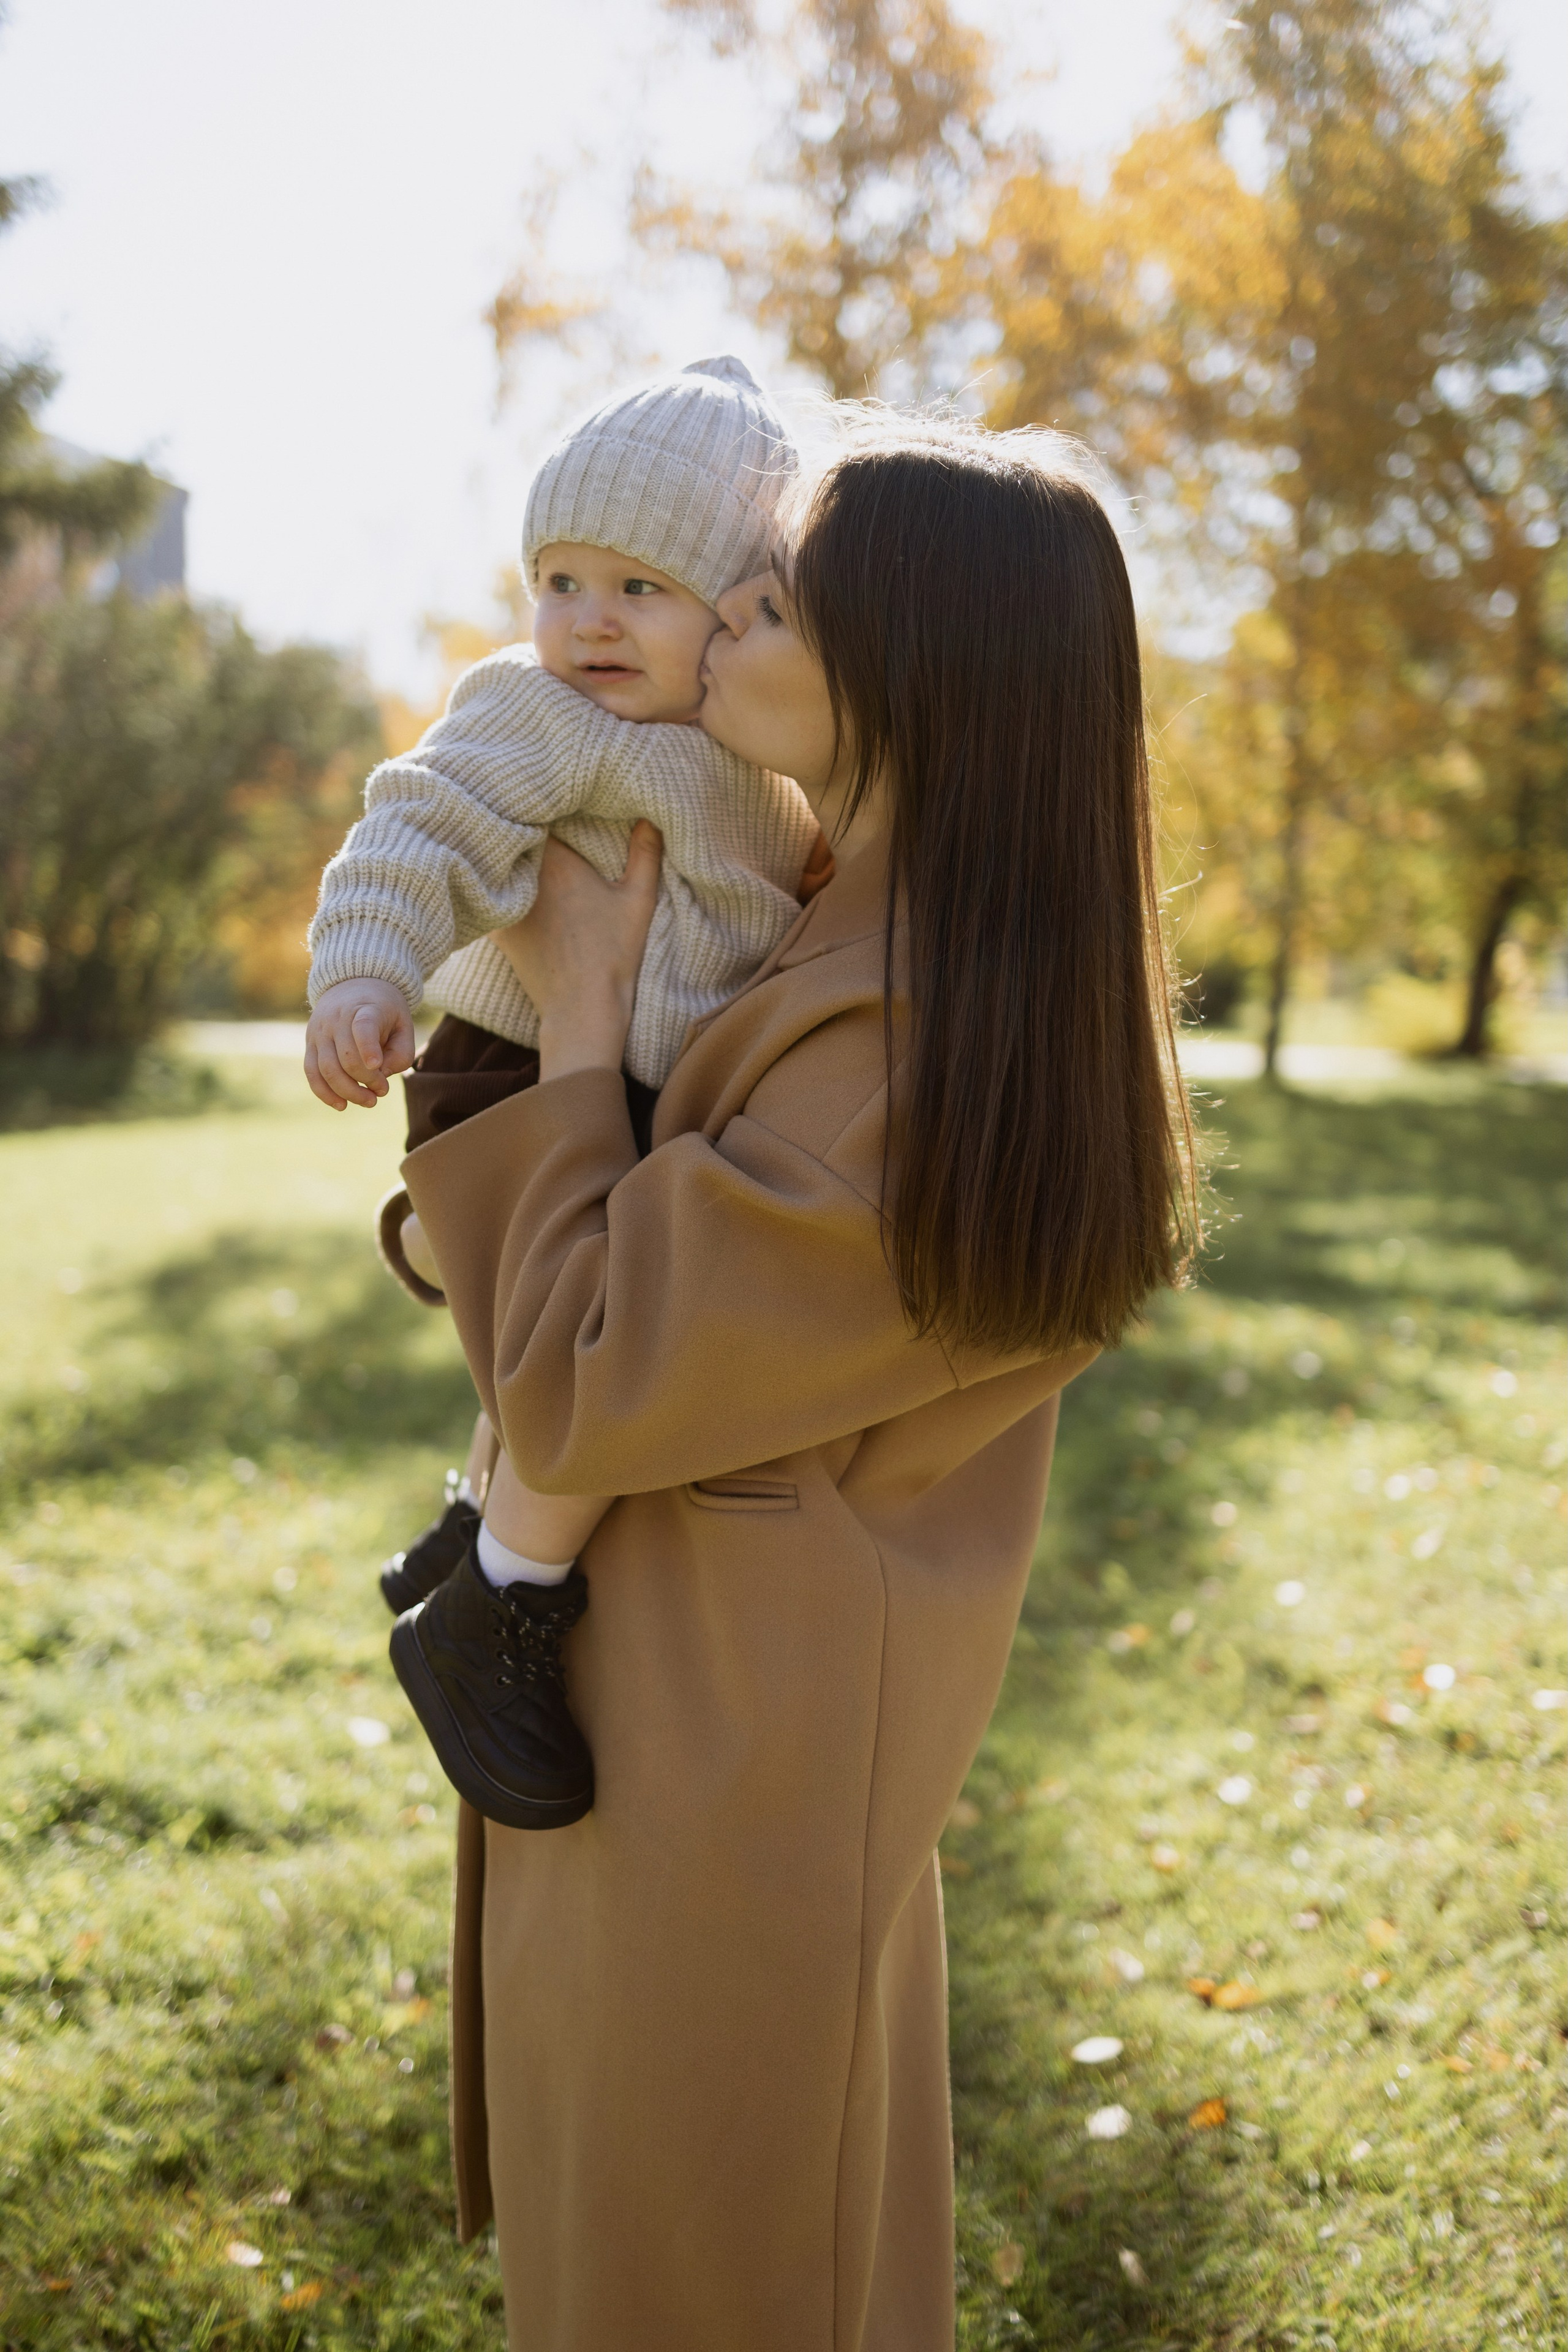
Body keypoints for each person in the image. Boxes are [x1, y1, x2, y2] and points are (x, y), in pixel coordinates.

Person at [399, 413, 1197, 2349]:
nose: (712, 626)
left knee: (714, 2275)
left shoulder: (904, 1050)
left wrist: (577, 1018)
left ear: (905, 670)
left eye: (769, 601)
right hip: (711, 1712)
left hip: (722, 1766)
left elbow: (588, 1367)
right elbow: (616, 1287)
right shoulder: (846, 923)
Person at [301, 358, 821, 1828]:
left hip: (636, 1077)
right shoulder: (534, 712)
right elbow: (418, 826)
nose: (586, 619)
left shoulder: (746, 755)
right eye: (558, 577)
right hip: (509, 1068)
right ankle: (499, 1609)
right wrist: (365, 977)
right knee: (601, 1345)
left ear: (731, 613)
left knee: (579, 1329)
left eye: (639, 589)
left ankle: (469, 1530)